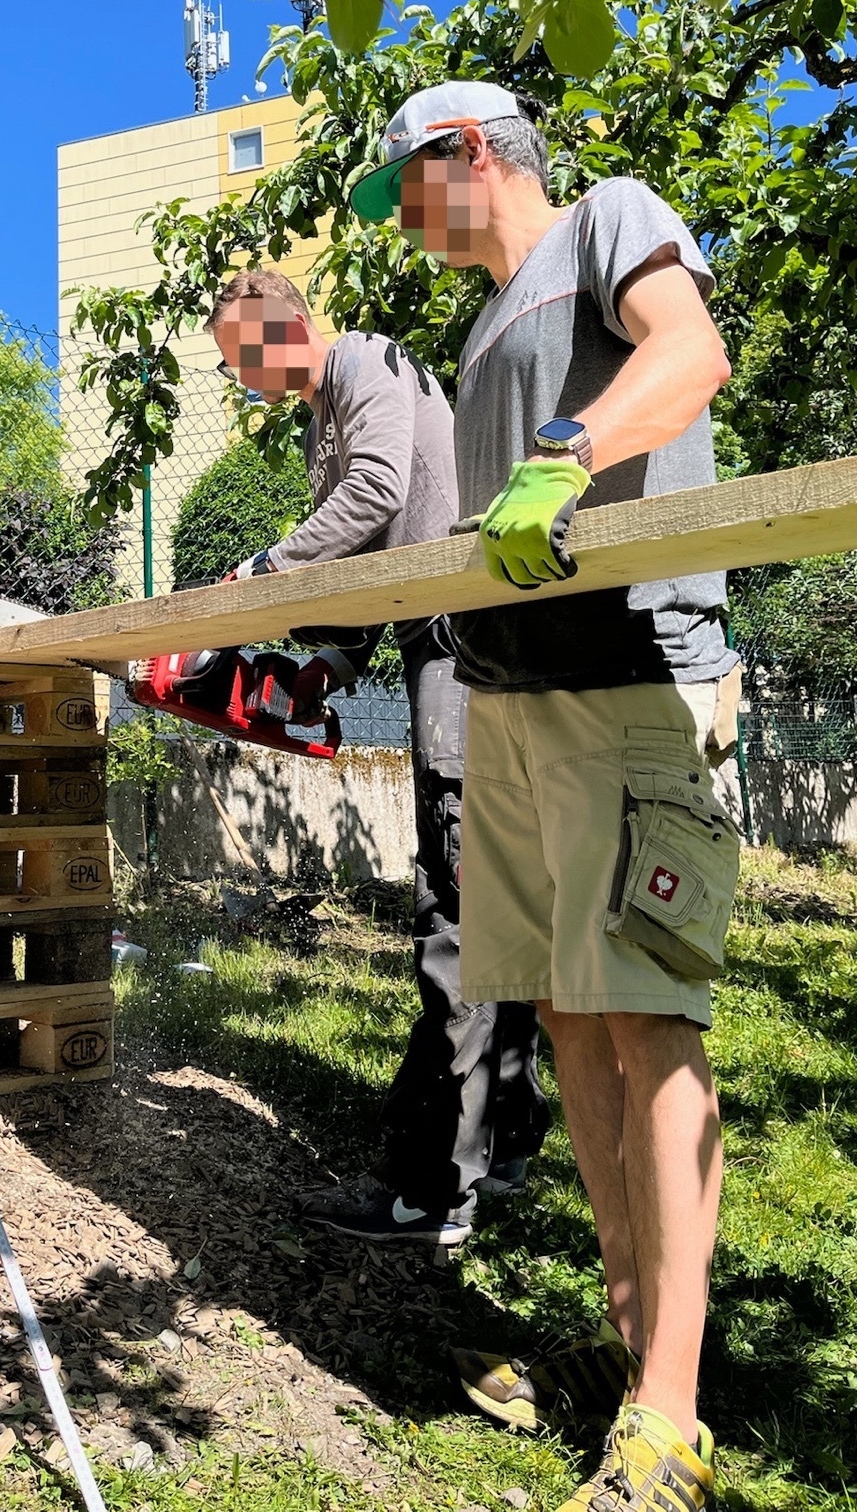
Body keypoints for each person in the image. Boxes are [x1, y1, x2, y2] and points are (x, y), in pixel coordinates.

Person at [350, 82, 741, 1512]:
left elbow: (691, 354)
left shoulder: (603, 226)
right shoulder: (481, 324)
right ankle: (639, 1345)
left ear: (467, 155)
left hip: (633, 676)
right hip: (511, 701)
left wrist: (574, 452)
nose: (398, 221)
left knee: (648, 1015)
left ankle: (672, 1424)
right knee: (573, 1024)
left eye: (404, 187)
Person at [205, 268, 549, 1250]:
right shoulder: (326, 409)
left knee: (462, 905)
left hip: (462, 637)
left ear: (292, 325)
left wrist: (270, 572)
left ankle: (430, 1190)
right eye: (236, 369)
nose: (248, 380)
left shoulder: (365, 365)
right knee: (499, 900)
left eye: (249, 357)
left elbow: (383, 491)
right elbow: (383, 548)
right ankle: (509, 1140)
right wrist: (328, 658)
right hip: (438, 630)